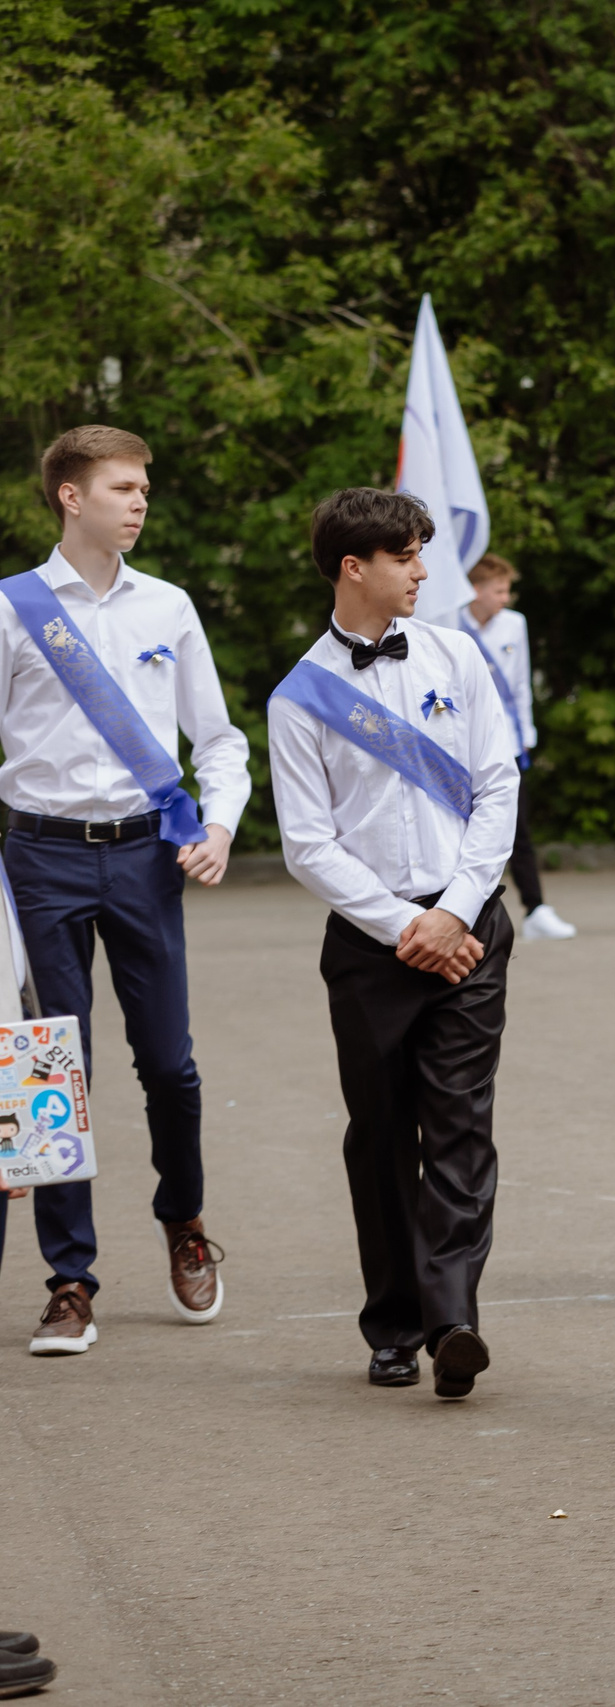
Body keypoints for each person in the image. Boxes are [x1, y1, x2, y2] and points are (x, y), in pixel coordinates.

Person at [0, 427, 247, 1358]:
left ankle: (183, 1220)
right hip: (41, 858)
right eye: (122, 487)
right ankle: (70, 1281)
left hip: (148, 857)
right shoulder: (13, 610)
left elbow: (218, 741)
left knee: (170, 1065)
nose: (140, 501)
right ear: (71, 497)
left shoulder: (170, 606)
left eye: (145, 486)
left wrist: (217, 825)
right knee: (55, 1069)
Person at [269, 488, 521, 1399]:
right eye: (408, 555)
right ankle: (393, 1322)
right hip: (373, 943)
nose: (423, 570)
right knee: (380, 1134)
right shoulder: (301, 696)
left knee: (460, 1124)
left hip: (468, 930)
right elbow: (308, 843)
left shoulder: (458, 651)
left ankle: (453, 1316)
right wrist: (405, 926)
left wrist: (455, 911)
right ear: (354, 566)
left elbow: (497, 787)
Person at [454, 556, 576, 940]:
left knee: (516, 828)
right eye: (500, 590)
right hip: (459, 743)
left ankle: (535, 908)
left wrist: (526, 735)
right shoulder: (446, 621)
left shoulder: (514, 624)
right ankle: (459, 910)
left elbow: (521, 683)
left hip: (506, 741)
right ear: (476, 590)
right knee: (459, 831)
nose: (506, 598)